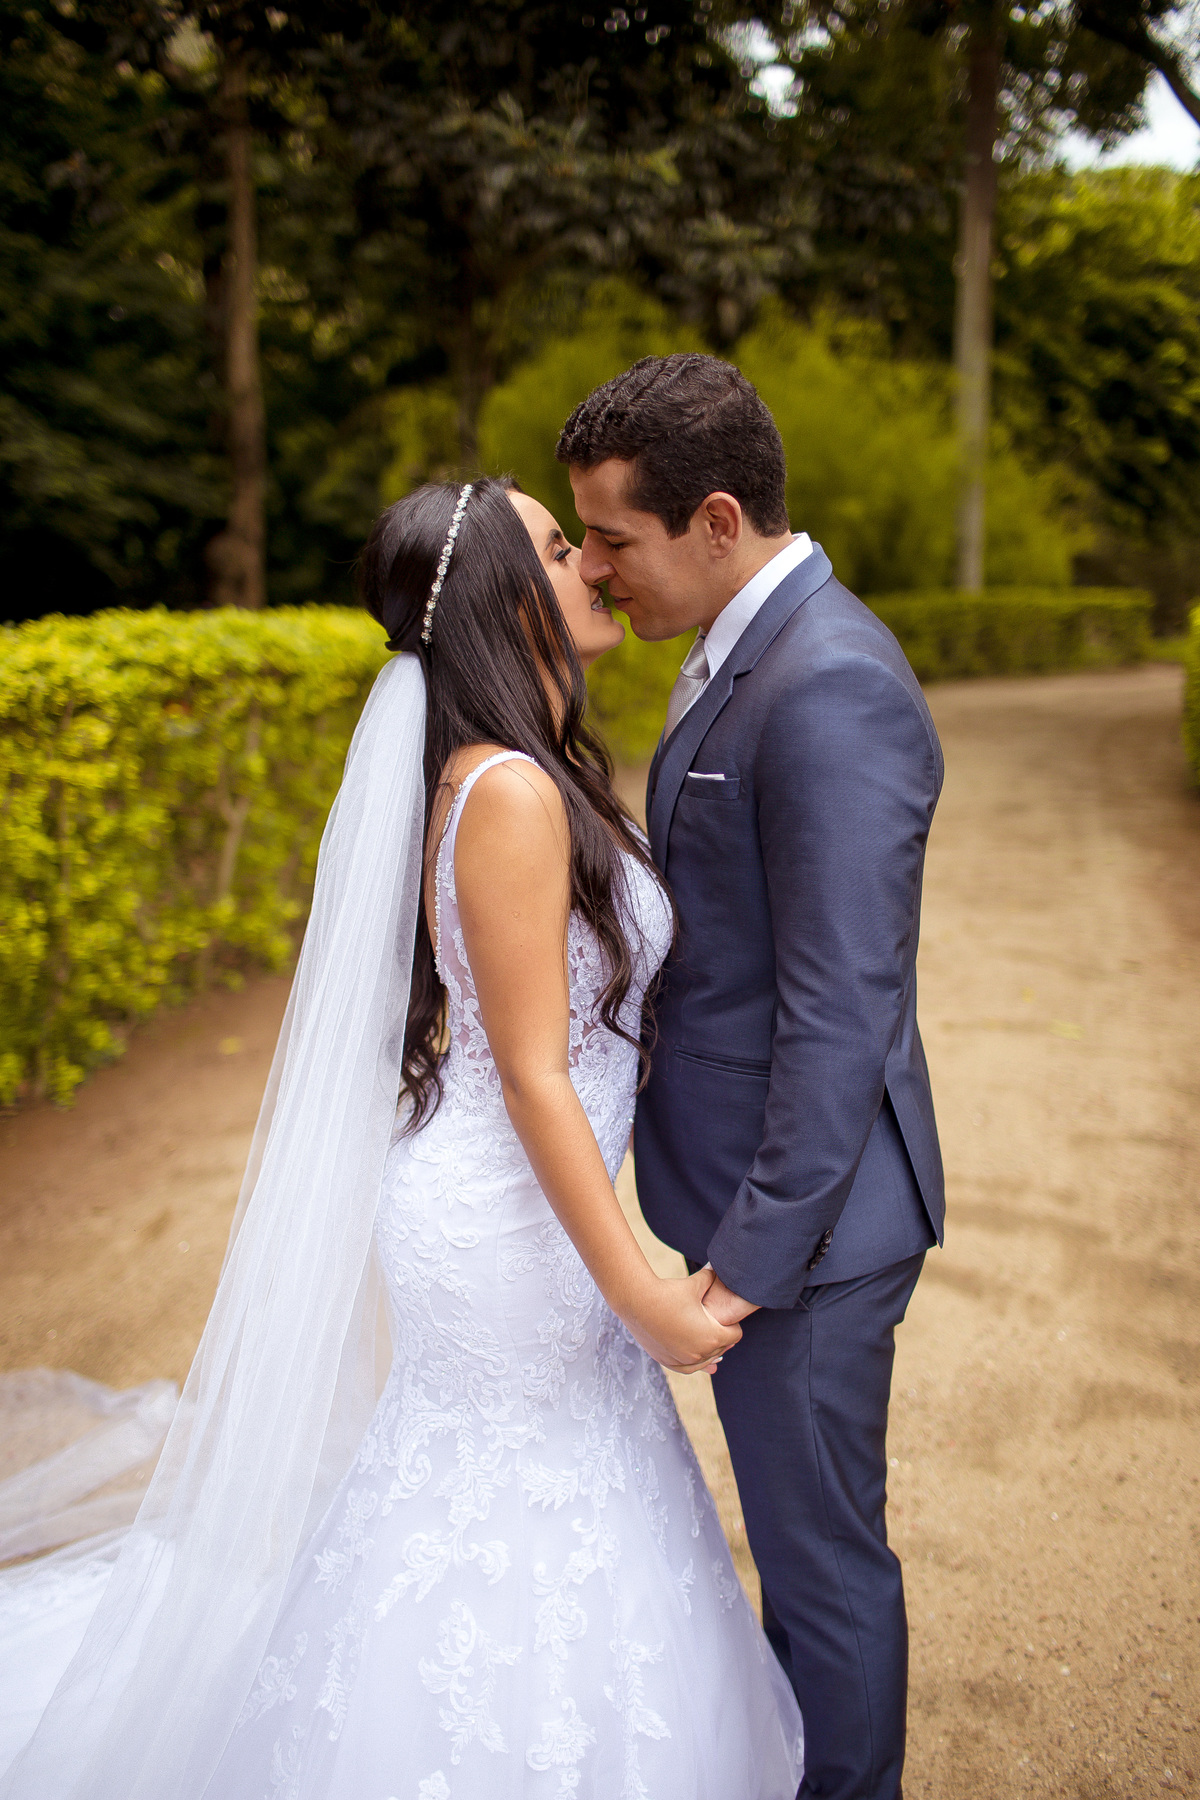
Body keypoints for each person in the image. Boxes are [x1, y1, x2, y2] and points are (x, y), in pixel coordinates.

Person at [0, 476, 802, 1800]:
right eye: (560, 547)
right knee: (502, 1497)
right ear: (503, 598)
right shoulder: (510, 798)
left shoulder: (521, 775)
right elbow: (539, 1077)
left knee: (548, 1490)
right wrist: (640, 1292)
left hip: (520, 1210)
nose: (593, 563)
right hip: (507, 1224)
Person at [558, 355, 946, 1800]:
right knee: (799, 1548)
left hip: (815, 1231)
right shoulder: (742, 644)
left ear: (716, 519)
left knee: (822, 1564)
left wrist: (749, 1265)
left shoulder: (832, 682)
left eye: (614, 538)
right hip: (761, 1207)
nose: (596, 570)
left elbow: (843, 1009)